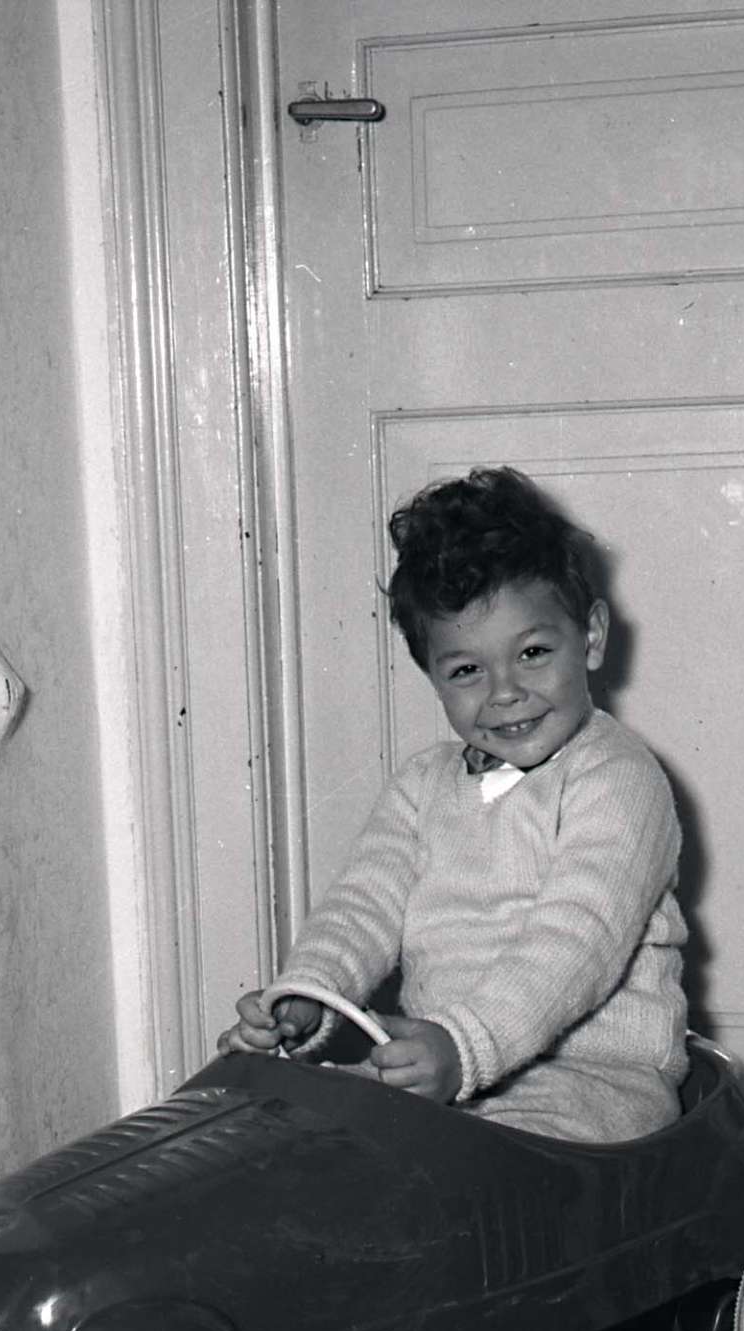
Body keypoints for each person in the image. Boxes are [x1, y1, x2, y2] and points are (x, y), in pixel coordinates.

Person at [219, 466, 688, 1144]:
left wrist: (465, 1047)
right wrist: (309, 991)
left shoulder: (617, 779)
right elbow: (363, 905)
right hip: (444, 1065)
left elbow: (575, 941)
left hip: (591, 1080)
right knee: (294, 1139)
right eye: (467, 670)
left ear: (590, 637)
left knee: (489, 1173)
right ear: (432, 676)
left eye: (532, 653)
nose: (504, 691)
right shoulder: (423, 785)